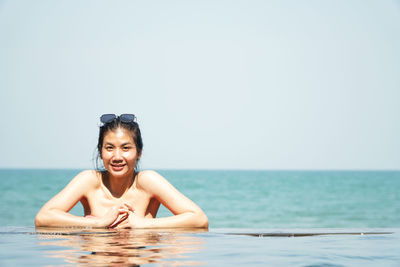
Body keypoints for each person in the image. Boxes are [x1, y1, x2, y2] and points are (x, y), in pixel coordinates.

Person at [35, 114, 208, 229]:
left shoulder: (147, 181)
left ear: (138, 152)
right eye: (109, 148)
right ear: (101, 151)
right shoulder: (90, 180)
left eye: (126, 148)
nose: (117, 156)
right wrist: (100, 223)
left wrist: (139, 223)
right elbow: (43, 218)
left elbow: (199, 220)